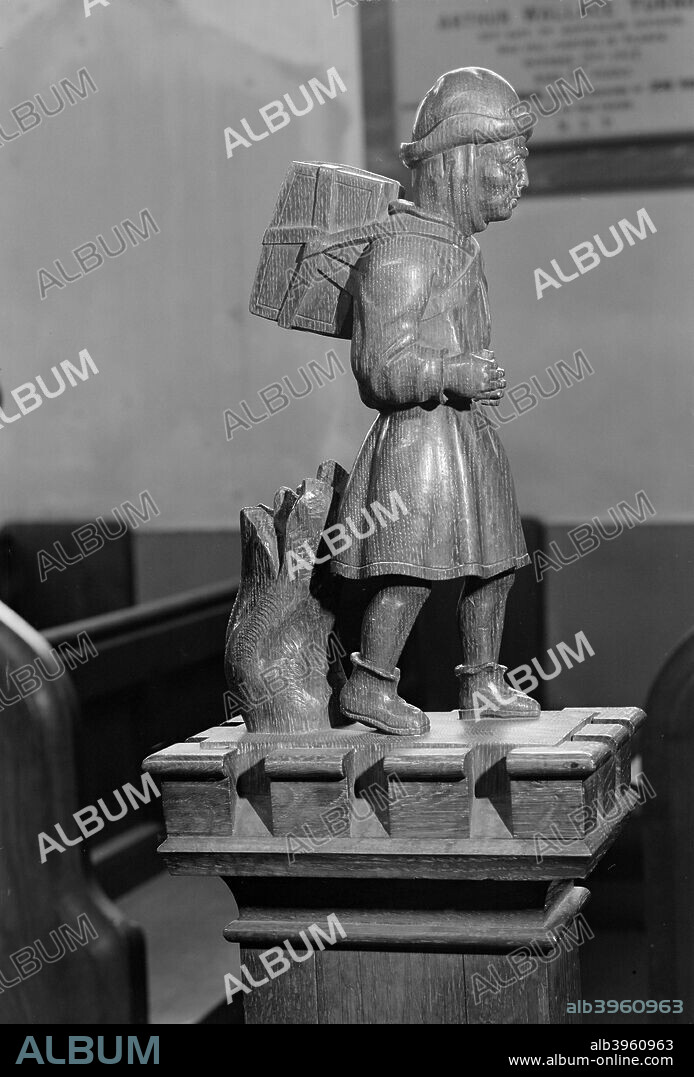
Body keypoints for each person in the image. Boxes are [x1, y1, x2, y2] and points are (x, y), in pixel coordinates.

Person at [331, 67, 541, 734]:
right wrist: (453, 370)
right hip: (419, 444)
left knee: (496, 564)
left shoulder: (456, 246)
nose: (521, 181)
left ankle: (482, 682)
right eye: (508, 163)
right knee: (412, 569)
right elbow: (381, 367)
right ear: (465, 161)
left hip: (461, 436)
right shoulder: (400, 251)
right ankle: (369, 683)